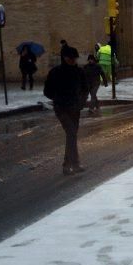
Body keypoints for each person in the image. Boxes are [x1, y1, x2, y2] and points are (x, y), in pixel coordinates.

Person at [44, 45, 89, 175]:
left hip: (75, 108)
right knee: (71, 133)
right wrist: (58, 98)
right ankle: (72, 164)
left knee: (72, 135)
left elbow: (85, 88)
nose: (74, 61)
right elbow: (47, 91)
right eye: (71, 58)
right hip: (61, 108)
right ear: (64, 58)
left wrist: (81, 102)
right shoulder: (55, 72)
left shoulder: (79, 72)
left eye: (75, 58)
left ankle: (69, 164)